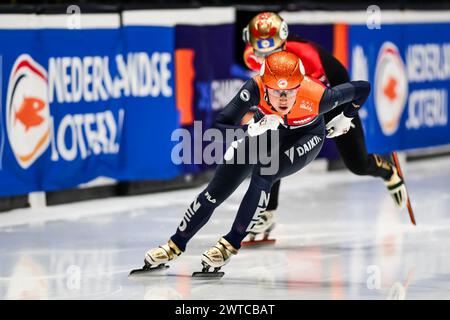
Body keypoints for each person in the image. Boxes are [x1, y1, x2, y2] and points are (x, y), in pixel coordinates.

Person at [142, 51, 371, 274]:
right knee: (217, 188)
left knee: (265, 171)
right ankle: (174, 244)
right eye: (276, 92)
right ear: (264, 86)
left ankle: (229, 244)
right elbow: (219, 129)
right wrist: (248, 129)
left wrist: (346, 116)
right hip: (268, 128)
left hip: (306, 136)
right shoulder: (254, 88)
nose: (283, 99)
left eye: (290, 92)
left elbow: (363, 88)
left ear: (299, 87)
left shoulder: (319, 96)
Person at [241, 12, 407, 240]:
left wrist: (346, 116)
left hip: (332, 100)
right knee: (273, 145)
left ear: (284, 42)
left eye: (273, 51)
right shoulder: (251, 57)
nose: (267, 58)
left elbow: (334, 92)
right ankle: (268, 211)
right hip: (294, 104)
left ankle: (387, 169)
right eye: (261, 52)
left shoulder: (305, 56)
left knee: (357, 164)